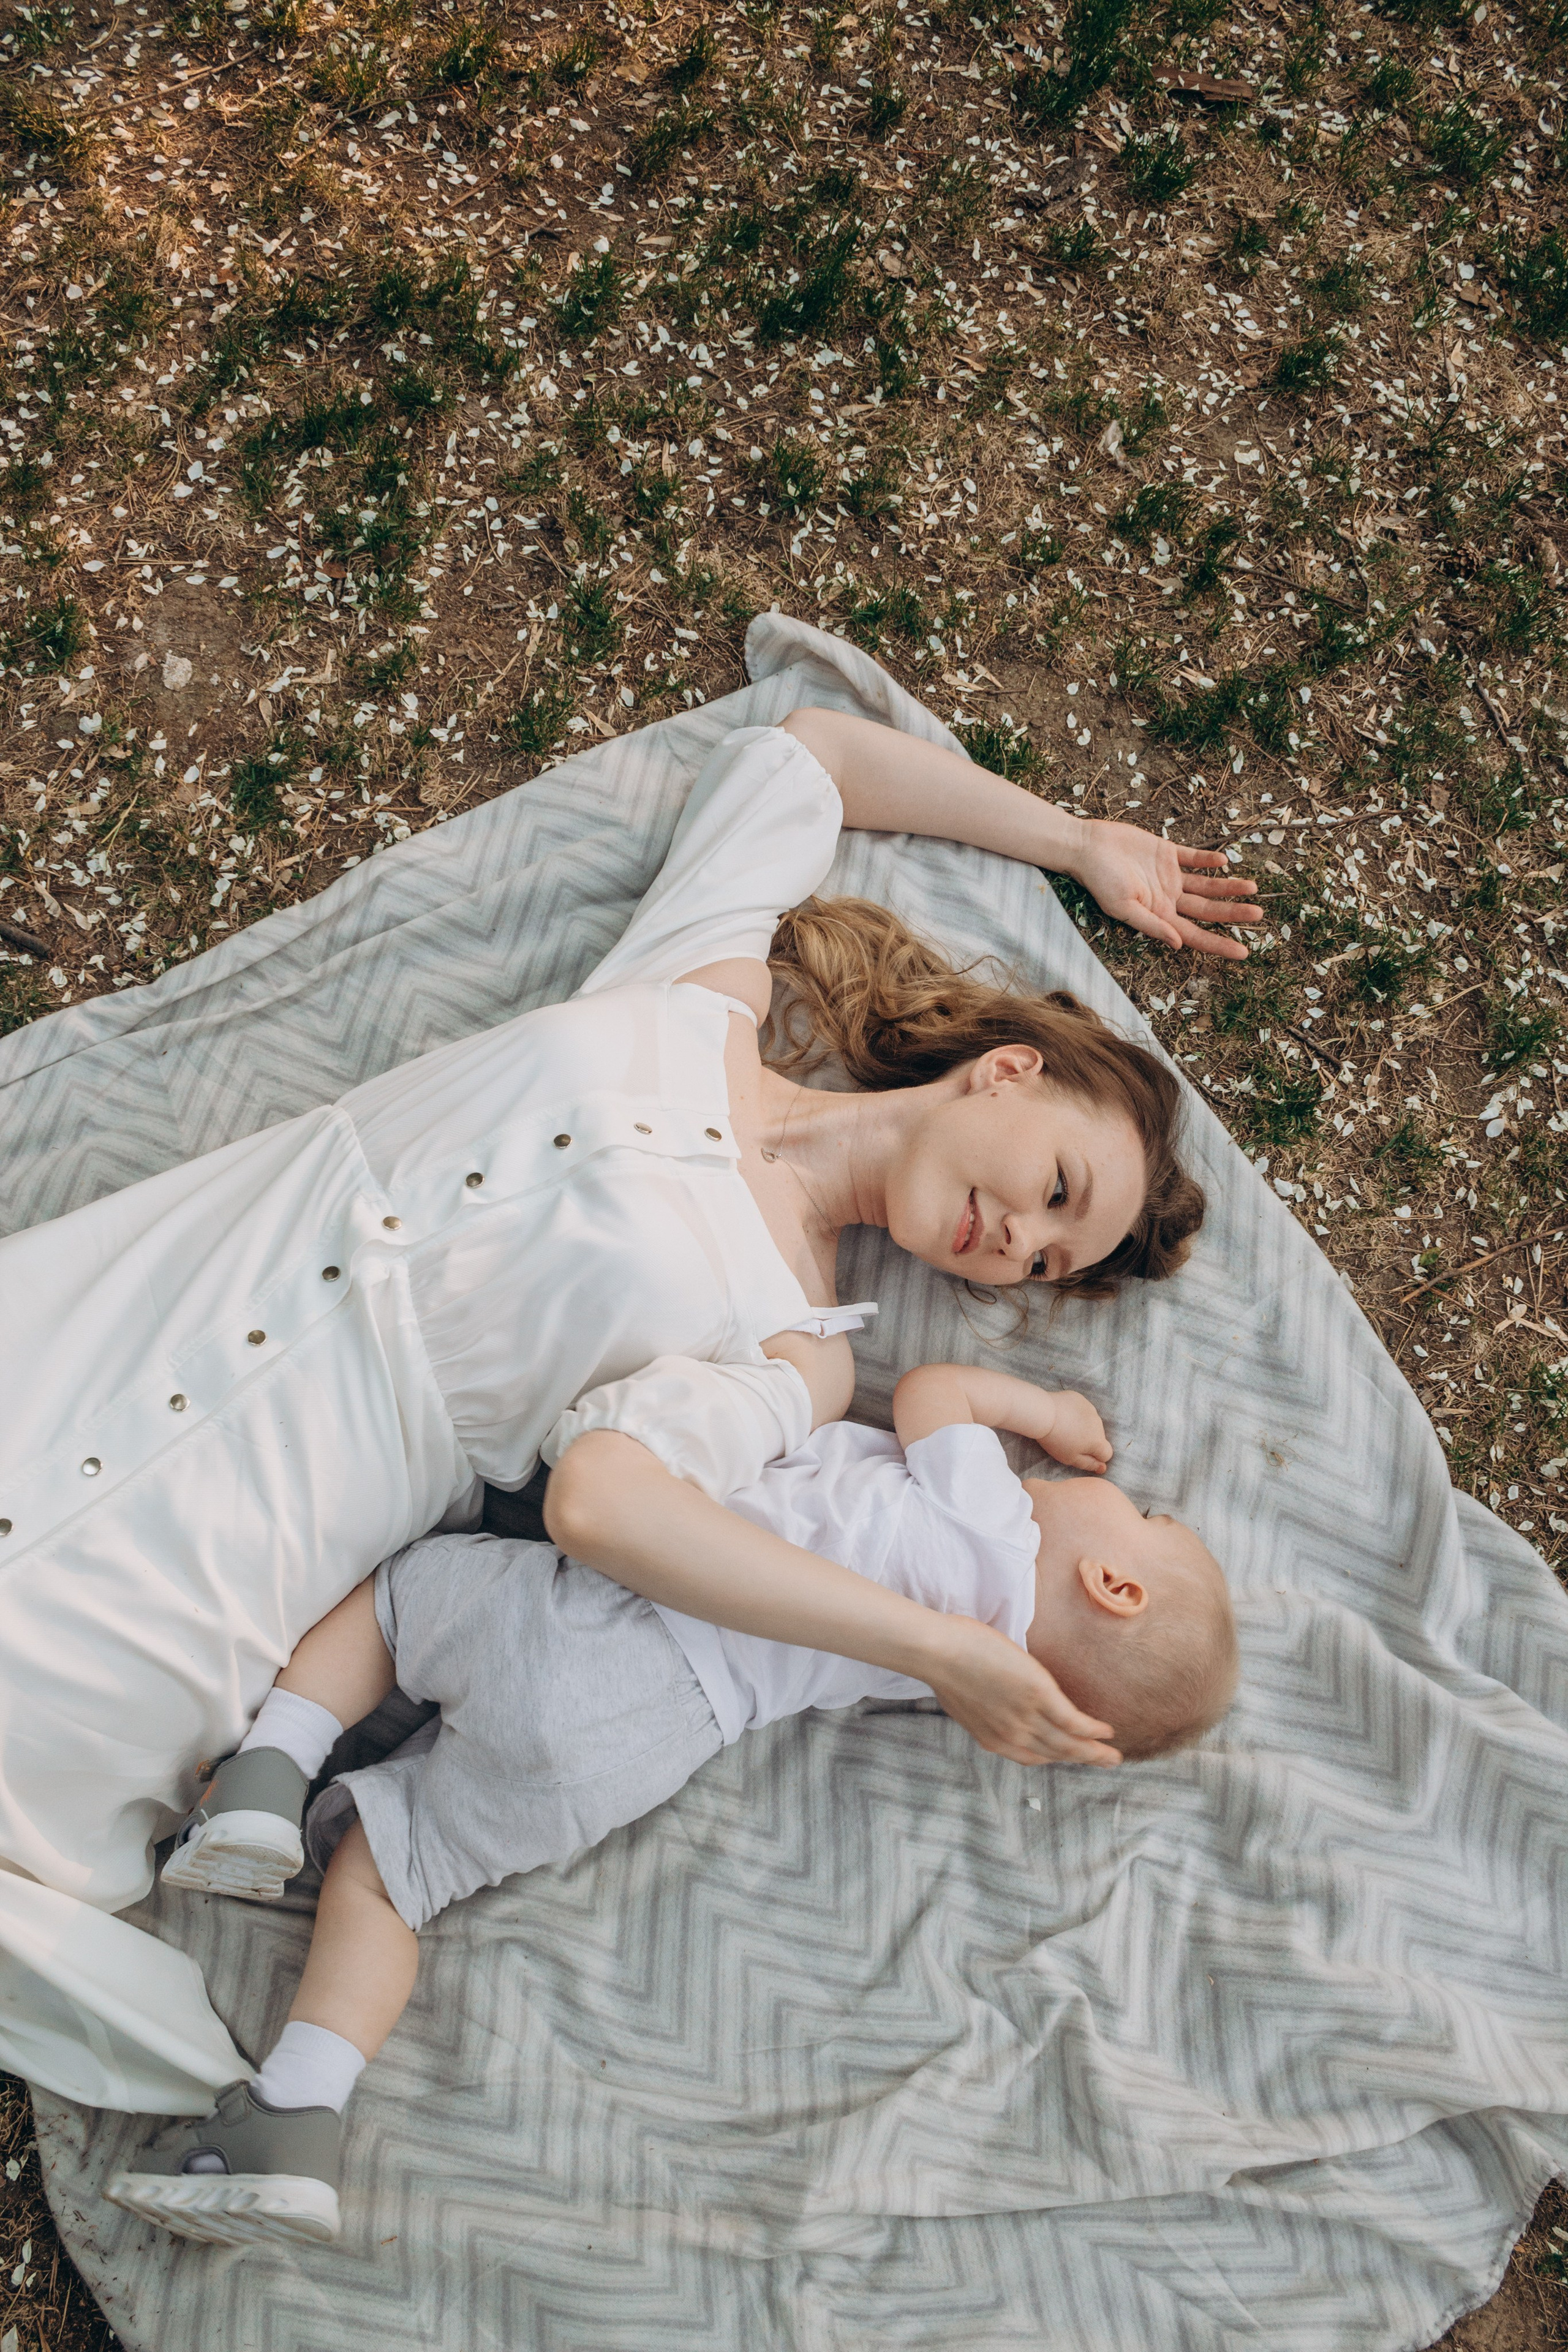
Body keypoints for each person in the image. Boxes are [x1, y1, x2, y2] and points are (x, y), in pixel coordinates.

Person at [0, 708, 1258, 2103]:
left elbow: (602, 1502)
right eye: (1059, 1192)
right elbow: (810, 756)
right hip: (127, 1304)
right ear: (1010, 1070)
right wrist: (1075, 841)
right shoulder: (693, 989)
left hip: (232, 1538)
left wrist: (945, 1651)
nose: (1017, 1239)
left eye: (1047, 1262)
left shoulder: (802, 1357)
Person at [107, 1359, 1238, 2246]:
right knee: (394, 1881)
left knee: (398, 1605)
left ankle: (269, 1772)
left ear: (1116, 1583)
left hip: (621, 1613)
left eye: (1145, 1516)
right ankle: (299, 2111)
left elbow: (936, 1392)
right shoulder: (964, 1684)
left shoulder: (998, 1521)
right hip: (651, 1742)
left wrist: (1041, 1410)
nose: (1118, 1492)